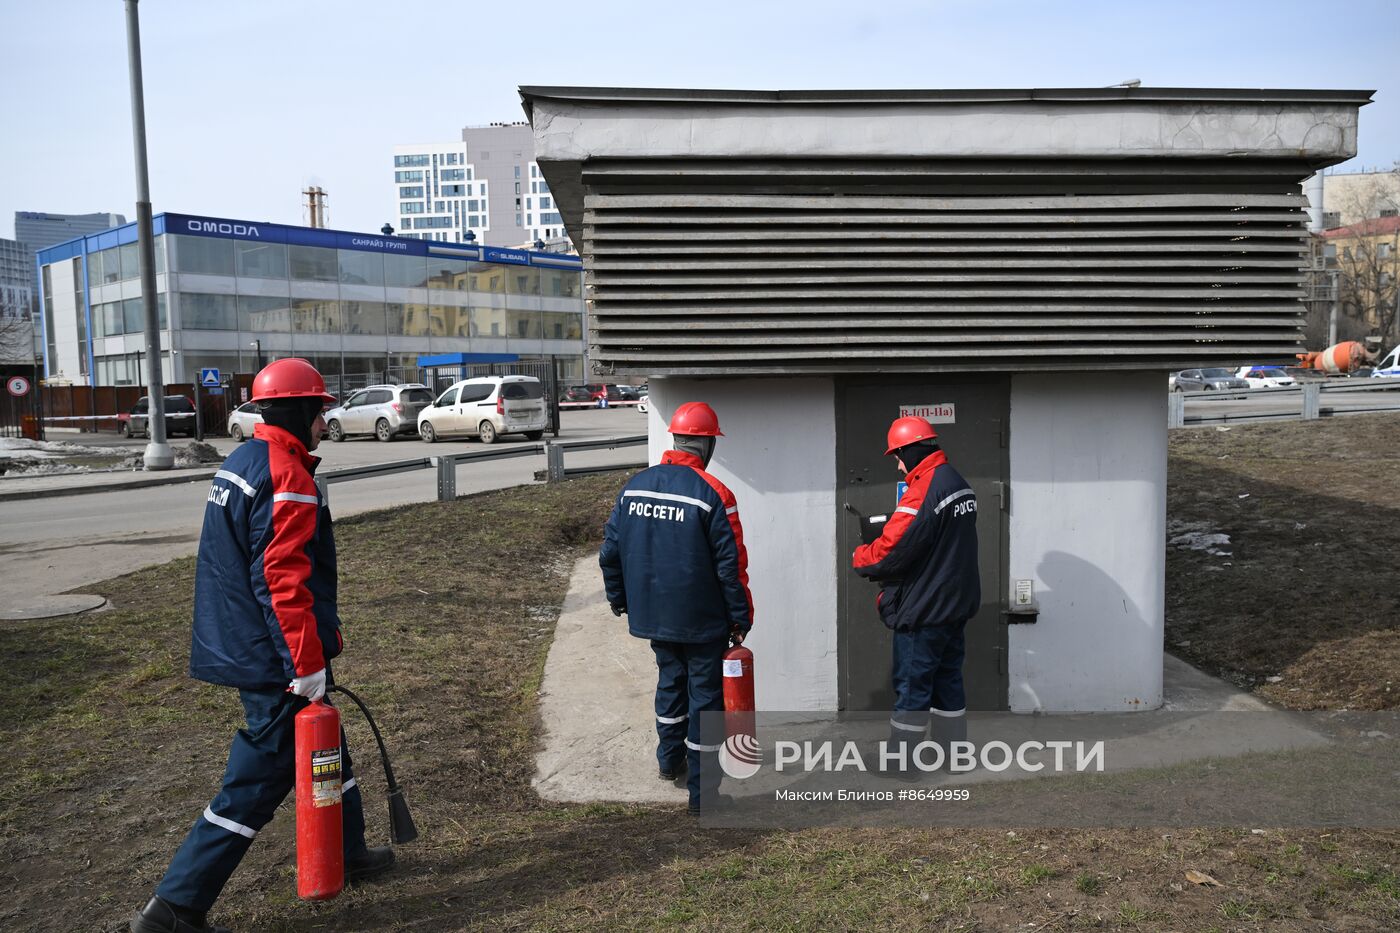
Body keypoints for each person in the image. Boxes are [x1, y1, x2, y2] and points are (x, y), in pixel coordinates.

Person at [132, 359, 394, 933]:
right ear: (300, 412)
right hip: (271, 654)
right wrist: (303, 665)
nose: (325, 423)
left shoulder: (243, 459)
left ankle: (348, 850)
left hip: (243, 639)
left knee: (327, 744)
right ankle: (174, 909)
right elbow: (281, 582)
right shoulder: (288, 474)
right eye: (321, 412)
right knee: (257, 779)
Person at [599, 401, 753, 813]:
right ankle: (704, 797)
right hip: (702, 622)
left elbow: (609, 554)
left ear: (676, 440)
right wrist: (741, 617)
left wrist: (620, 600)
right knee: (705, 702)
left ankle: (669, 763)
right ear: (706, 444)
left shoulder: (634, 487)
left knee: (670, 683)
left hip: (653, 618)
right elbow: (732, 567)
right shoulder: (715, 494)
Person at [851, 416, 980, 774]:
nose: (896, 462)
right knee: (948, 684)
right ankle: (953, 758)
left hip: (924, 610)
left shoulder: (925, 488)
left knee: (912, 686)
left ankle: (901, 763)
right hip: (954, 606)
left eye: (897, 454)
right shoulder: (958, 483)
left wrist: (861, 557)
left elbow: (891, 551)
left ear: (910, 449)